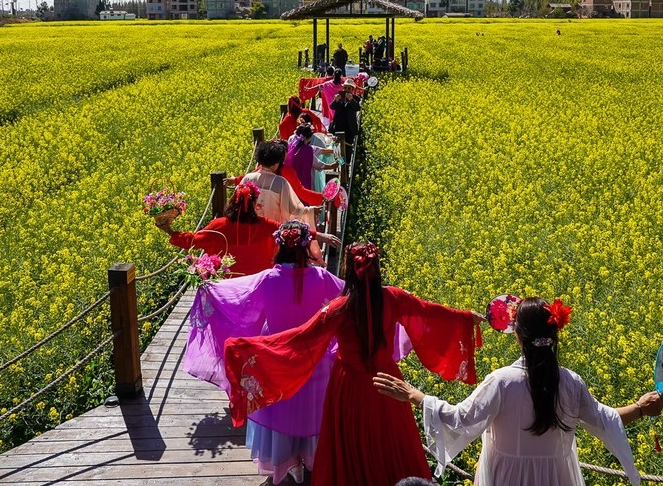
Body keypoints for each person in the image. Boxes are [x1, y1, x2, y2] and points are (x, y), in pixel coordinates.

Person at [224, 241, 483, 486]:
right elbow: (429, 312)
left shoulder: (339, 308)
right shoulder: (393, 298)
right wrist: (465, 318)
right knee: (390, 439)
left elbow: (300, 338)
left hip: (348, 386)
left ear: (348, 269)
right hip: (388, 384)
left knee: (349, 443)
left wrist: (246, 348)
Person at [373, 297, 663, 486]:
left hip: (506, 479)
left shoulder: (501, 382)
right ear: (554, 335)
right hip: (556, 479)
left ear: (517, 336)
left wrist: (414, 394)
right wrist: (641, 407)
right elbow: (606, 419)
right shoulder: (570, 382)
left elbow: (459, 418)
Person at [183, 220, 345, 484]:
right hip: (315, 360)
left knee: (281, 410)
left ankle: (286, 467)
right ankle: (315, 464)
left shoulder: (267, 279)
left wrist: (206, 283)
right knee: (313, 413)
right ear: (306, 247)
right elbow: (349, 296)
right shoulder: (321, 277)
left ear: (279, 245)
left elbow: (234, 298)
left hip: (275, 358)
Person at [154, 180, 337, 277]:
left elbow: (191, 241)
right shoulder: (265, 225)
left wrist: (169, 231)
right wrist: (321, 236)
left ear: (232, 202)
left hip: (228, 286)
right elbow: (291, 230)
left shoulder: (218, 226)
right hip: (260, 283)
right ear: (255, 203)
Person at [286, 124, 336, 190]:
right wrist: (333, 165)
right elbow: (319, 165)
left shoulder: (290, 147)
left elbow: (318, 150)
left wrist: (332, 151)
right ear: (308, 138)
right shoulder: (308, 151)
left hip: (291, 182)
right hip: (305, 183)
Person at [327, 81, 361, 146]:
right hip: (338, 126)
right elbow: (331, 107)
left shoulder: (356, 98)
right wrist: (336, 100)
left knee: (348, 147)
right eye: (345, 88)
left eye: (349, 88)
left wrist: (351, 100)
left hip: (349, 128)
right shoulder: (339, 96)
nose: (347, 90)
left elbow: (357, 108)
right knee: (336, 146)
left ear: (352, 90)